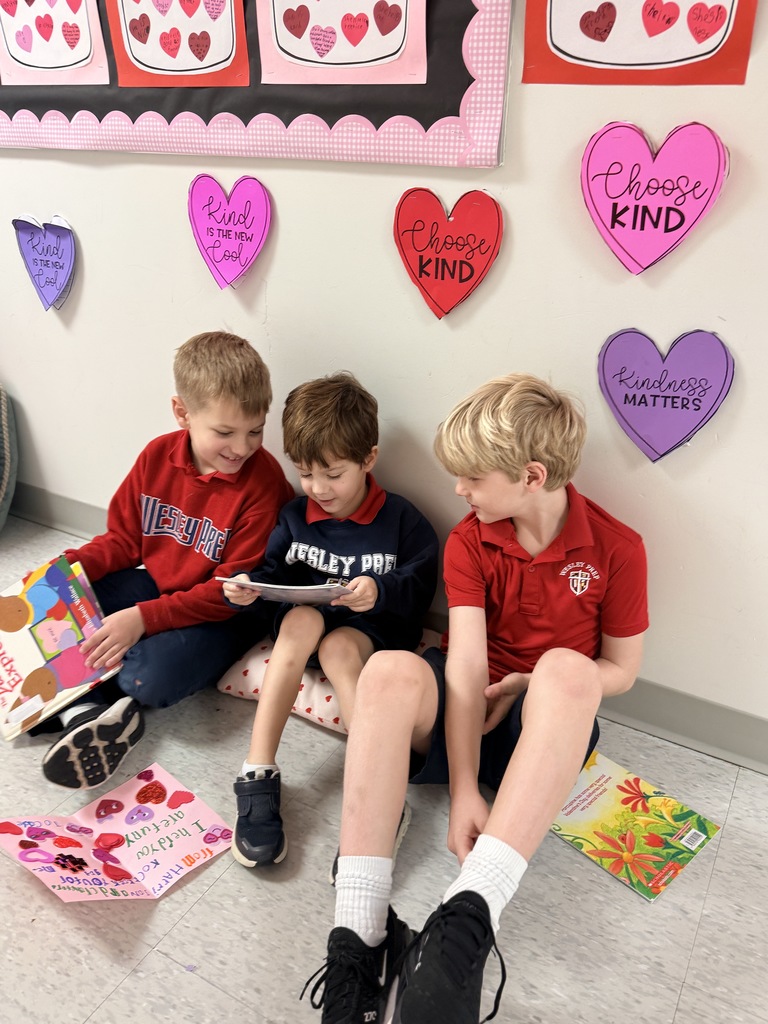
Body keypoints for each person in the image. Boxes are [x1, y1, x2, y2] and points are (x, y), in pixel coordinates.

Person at [304, 373, 648, 1024]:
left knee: (568, 672)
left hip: (544, 729)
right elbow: (464, 666)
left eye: (472, 479)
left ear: (532, 476)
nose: (458, 490)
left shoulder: (618, 549)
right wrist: (464, 788)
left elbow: (621, 669)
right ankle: (359, 935)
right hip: (464, 714)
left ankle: (466, 925)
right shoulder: (470, 539)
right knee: (386, 674)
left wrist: (537, 679)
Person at [41, 331, 294, 790]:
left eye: (255, 430)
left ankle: (91, 704)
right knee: (70, 599)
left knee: (151, 677)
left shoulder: (264, 484)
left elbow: (225, 594)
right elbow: (122, 541)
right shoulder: (157, 456)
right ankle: (86, 711)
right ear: (183, 413)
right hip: (158, 589)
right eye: (224, 432)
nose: (243, 447)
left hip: (223, 616)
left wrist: (141, 619)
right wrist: (69, 570)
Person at [222, 372, 439, 869]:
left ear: (369, 459)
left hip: (372, 634)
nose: (318, 488)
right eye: (304, 473)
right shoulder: (296, 517)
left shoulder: (404, 521)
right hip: (305, 623)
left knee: (340, 647)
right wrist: (246, 587)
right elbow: (271, 574)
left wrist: (379, 591)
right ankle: (257, 771)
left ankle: (378, 792)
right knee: (299, 622)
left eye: (333, 474)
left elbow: (420, 586)